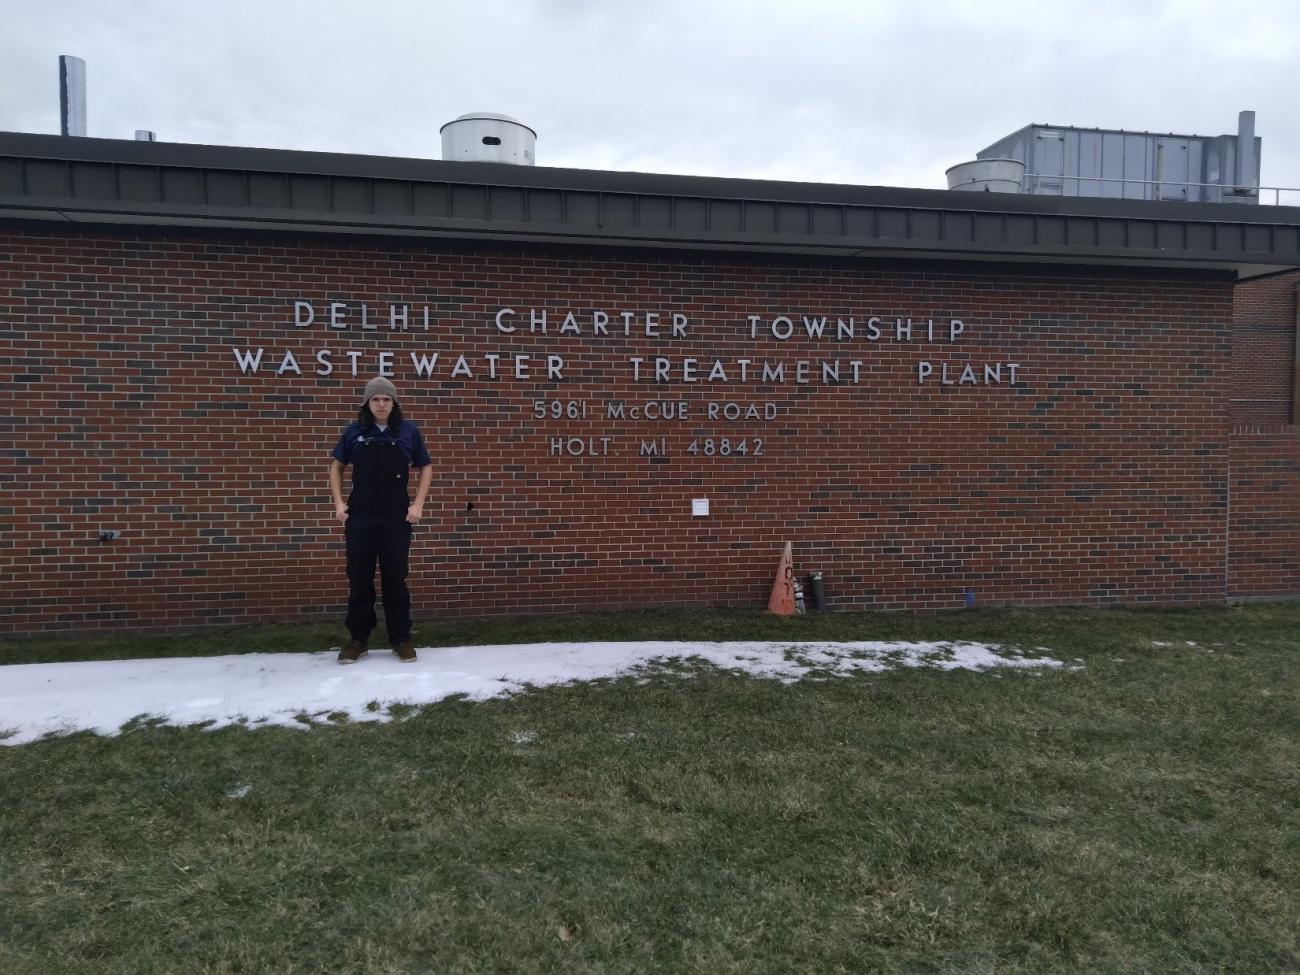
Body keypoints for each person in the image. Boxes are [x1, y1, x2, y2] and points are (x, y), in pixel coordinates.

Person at [329, 377, 433, 664]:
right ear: (368, 402)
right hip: (361, 516)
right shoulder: (354, 432)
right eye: (376, 399)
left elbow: (426, 467)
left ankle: (401, 638)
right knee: (359, 579)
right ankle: (358, 639)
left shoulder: (408, 432)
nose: (382, 403)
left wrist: (418, 503)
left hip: (395, 517)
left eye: (387, 399)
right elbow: (336, 467)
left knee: (395, 579)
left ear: (394, 402)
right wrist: (339, 503)